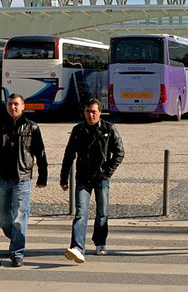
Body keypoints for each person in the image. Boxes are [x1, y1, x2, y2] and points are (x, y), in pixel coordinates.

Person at [0, 94, 48, 268]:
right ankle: (17, 237)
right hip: (2, 178)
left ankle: (17, 253)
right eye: (10, 104)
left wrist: (42, 176)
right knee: (2, 217)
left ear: (23, 106)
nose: (13, 107)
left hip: (22, 178)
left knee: (19, 217)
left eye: (16, 104)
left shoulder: (32, 127)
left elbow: (40, 153)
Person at [60, 97, 125, 263]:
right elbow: (69, 155)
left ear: (99, 112)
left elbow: (119, 152)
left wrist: (107, 171)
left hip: (101, 177)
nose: (91, 115)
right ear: (84, 112)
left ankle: (100, 242)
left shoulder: (108, 129)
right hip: (83, 177)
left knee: (102, 212)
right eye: (88, 111)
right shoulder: (78, 130)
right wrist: (64, 177)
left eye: (94, 112)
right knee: (81, 212)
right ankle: (77, 247)